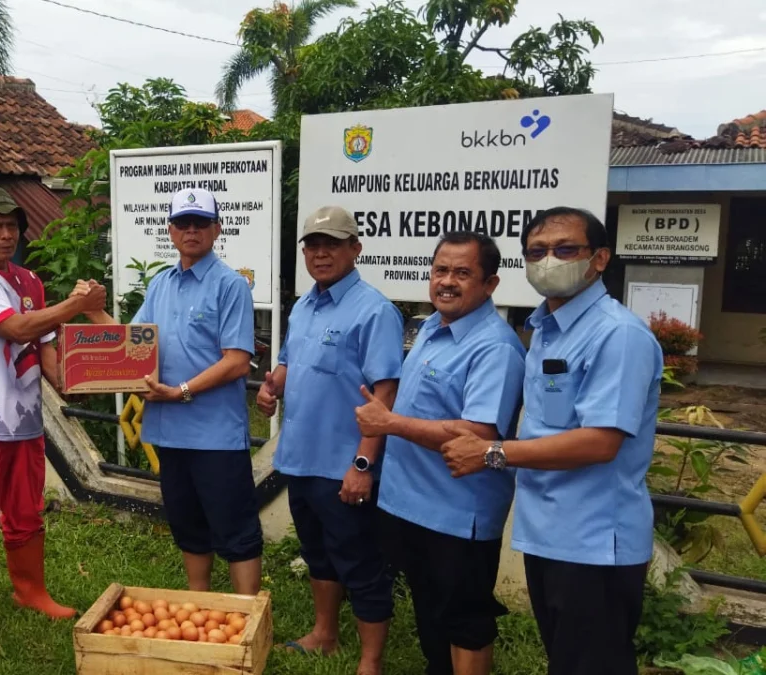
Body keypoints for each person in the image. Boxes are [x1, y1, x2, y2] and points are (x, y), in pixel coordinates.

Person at [441, 207, 663, 675]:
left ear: (599, 258)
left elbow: (599, 443)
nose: (549, 260)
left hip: (595, 541)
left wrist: (491, 452)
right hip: (550, 534)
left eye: (566, 250)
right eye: (537, 251)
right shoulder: (547, 329)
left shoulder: (617, 335)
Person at [0, 185, 107, 654]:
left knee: (25, 512)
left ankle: (30, 590)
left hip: (26, 421)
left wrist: (82, 377)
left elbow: (46, 349)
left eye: (12, 225)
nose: (5, 234)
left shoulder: (30, 282)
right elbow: (16, 329)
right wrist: (75, 306)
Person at [356, 231, 525, 675]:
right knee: (431, 611)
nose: (447, 281)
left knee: (465, 620)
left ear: (490, 284)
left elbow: (477, 433)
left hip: (456, 515)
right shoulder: (431, 327)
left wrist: (389, 423)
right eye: (441, 270)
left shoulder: (496, 346)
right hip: (409, 505)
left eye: (462, 273)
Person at [80, 187, 263, 596]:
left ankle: (248, 617)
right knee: (187, 523)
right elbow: (133, 348)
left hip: (214, 435)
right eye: (183, 223)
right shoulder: (161, 284)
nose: (191, 231)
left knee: (235, 528)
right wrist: (93, 310)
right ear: (171, 230)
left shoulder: (230, 286)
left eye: (201, 223)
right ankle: (199, 604)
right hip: (169, 431)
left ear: (217, 229)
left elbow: (236, 361)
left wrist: (180, 390)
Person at [256, 206, 402, 675]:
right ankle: (324, 634)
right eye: (313, 245)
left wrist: (363, 465)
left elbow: (386, 393)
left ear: (355, 249)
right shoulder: (303, 305)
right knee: (318, 553)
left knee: (359, 561)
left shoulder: (375, 310)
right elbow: (288, 362)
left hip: (344, 463)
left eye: (333, 244)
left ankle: (370, 660)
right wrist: (270, 386)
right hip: (300, 458)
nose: (321, 253)